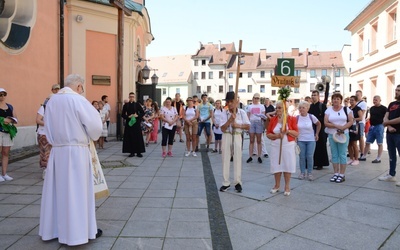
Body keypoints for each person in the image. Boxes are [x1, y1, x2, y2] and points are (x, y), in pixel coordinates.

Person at [39, 74, 103, 246]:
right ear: (79, 87)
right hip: (76, 152)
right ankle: (76, 233)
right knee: (76, 192)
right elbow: (96, 127)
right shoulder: (78, 101)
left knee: (58, 191)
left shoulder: (52, 101)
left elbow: (47, 125)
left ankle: (54, 230)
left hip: (57, 152)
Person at [219, 91, 250, 193]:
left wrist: (238, 125)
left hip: (237, 135)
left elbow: (248, 126)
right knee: (225, 158)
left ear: (237, 101)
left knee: (237, 158)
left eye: (232, 101)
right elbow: (222, 129)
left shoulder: (242, 112)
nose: (230, 104)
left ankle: (237, 182)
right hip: (227, 135)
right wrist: (229, 121)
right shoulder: (224, 113)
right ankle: (225, 182)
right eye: (228, 101)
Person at [267, 100, 299, 196]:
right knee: (276, 165)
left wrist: (287, 131)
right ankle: (277, 185)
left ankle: (287, 186)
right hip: (276, 145)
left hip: (288, 145)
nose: (277, 110)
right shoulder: (273, 119)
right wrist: (276, 136)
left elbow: (297, 133)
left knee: (287, 165)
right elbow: (268, 133)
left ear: (285, 108)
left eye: (279, 107)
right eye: (276, 108)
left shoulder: (292, 119)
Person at [324, 93, 354, 183]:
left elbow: (351, 121)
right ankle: (335, 173)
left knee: (342, 154)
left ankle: (342, 174)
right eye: (334, 99)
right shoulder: (328, 110)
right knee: (334, 154)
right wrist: (336, 126)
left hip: (343, 135)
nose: (335, 100)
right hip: (332, 134)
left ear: (341, 100)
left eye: (337, 99)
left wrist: (343, 128)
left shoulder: (346, 109)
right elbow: (325, 122)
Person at [379, 85, 400, 184]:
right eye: (396, 90)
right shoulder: (391, 104)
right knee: (391, 154)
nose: (396, 92)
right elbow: (385, 116)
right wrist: (389, 126)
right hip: (390, 133)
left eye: (399, 90)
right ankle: (391, 174)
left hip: (399, 134)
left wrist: (387, 123)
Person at [297, 101, 321, 181]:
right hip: (300, 139)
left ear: (307, 108)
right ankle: (302, 172)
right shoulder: (297, 118)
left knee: (310, 156)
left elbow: (318, 124)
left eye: (303, 107)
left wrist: (317, 134)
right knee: (302, 157)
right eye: (300, 108)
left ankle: (310, 173)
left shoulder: (311, 117)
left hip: (311, 139)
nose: (301, 109)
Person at [359, 95, 387, 163]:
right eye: (373, 100)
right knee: (368, 142)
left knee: (379, 143)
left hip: (379, 126)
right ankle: (364, 156)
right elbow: (370, 116)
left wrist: (383, 125)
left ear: (380, 100)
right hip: (372, 126)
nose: (374, 101)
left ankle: (378, 158)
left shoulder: (384, 108)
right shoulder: (372, 108)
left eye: (376, 100)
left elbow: (386, 117)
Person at [308, 90, 329, 170]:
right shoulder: (310, 106)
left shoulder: (322, 106)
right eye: (312, 95)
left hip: (321, 129)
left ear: (318, 96)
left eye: (315, 95)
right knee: (313, 146)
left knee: (321, 146)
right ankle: (313, 162)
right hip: (311, 129)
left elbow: (325, 118)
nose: (313, 96)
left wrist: (316, 120)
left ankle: (321, 163)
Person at [0, 88, 17, 182]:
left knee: (6, 153)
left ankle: (4, 173)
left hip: (7, 132)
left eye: (4, 94)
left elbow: (15, 118)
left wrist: (10, 120)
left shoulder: (9, 106)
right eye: (0, 95)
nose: (2, 97)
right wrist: (2, 120)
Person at [122, 92, 145, 157]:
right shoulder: (126, 105)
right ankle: (131, 152)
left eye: (132, 97)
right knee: (130, 137)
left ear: (134, 97)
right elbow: (123, 114)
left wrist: (137, 115)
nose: (131, 98)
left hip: (136, 123)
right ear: (129, 97)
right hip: (129, 123)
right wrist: (128, 117)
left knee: (138, 137)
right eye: (130, 97)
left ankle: (138, 152)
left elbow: (142, 113)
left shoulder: (137, 105)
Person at [36, 94, 53, 179]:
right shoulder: (43, 108)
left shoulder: (57, 109)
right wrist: (48, 124)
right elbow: (38, 120)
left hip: (53, 133)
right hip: (44, 134)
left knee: (53, 152)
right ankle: (45, 170)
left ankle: (52, 170)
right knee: (45, 152)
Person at [246, 93, 266, 164]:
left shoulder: (262, 106)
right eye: (255, 98)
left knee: (259, 140)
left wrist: (262, 118)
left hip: (258, 122)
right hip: (251, 122)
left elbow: (264, 115)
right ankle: (250, 156)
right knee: (251, 140)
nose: (256, 99)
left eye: (258, 98)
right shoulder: (250, 106)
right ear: (253, 98)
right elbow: (248, 116)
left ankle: (259, 156)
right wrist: (247, 125)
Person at [347, 95, 363, 166]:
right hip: (348, 127)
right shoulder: (348, 108)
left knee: (354, 143)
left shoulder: (358, 108)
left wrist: (353, 119)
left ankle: (356, 159)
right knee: (349, 144)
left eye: (352, 100)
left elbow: (360, 118)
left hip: (355, 127)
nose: (351, 101)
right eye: (350, 100)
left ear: (356, 101)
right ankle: (351, 158)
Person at [355, 90, 367, 158]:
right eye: (356, 95)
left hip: (360, 122)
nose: (357, 96)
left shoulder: (363, 103)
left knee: (360, 137)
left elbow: (361, 113)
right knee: (354, 138)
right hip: (354, 122)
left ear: (361, 95)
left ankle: (362, 152)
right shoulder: (355, 103)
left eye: (358, 95)